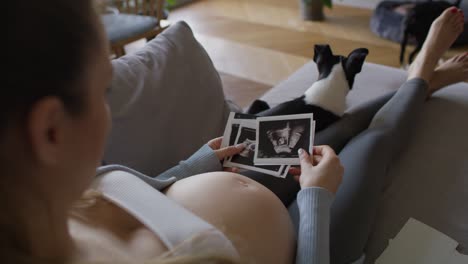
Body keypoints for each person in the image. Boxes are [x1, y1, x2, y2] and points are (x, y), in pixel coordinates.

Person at [2, 0, 466, 263]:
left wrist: (196, 164)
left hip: (238, 173)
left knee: (335, 128)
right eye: (105, 88)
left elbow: (147, 187)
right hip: (306, 233)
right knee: (372, 145)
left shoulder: (64, 199)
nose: (112, 100)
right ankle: (422, 72)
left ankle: (421, 82)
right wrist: (315, 200)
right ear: (51, 132)